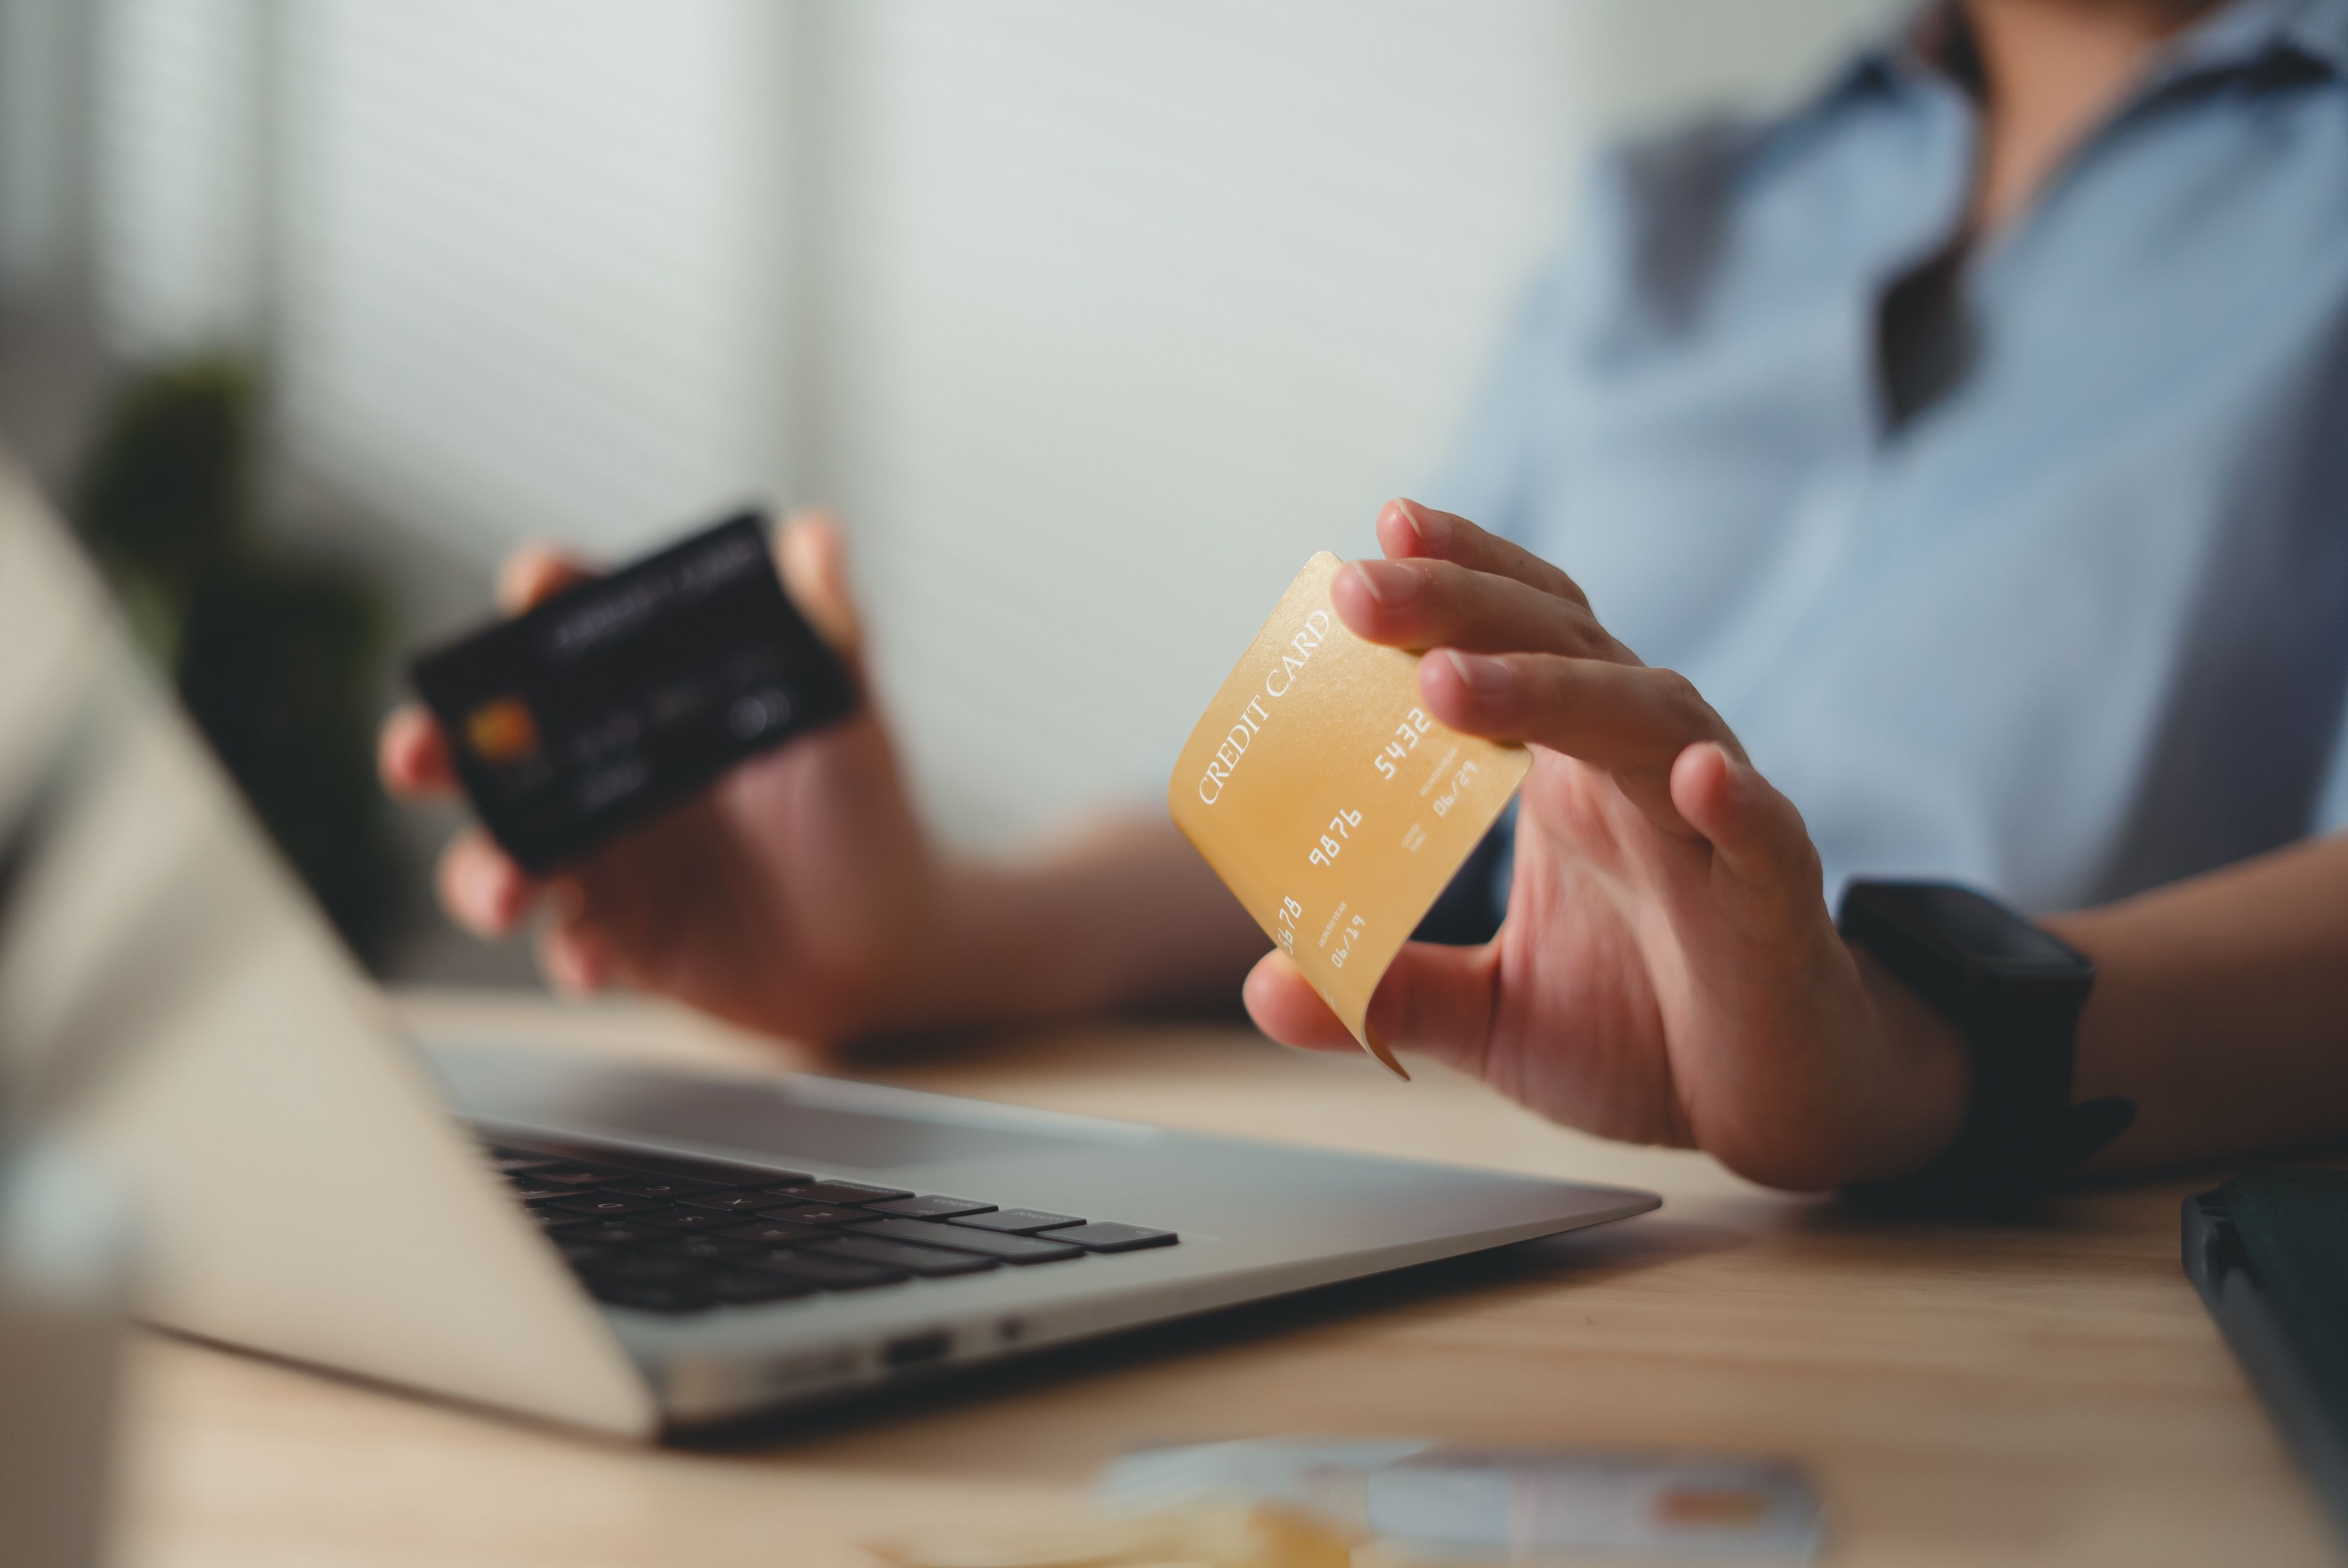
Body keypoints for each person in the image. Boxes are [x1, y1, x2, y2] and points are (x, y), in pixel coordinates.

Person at [382, 0, 2348, 1196]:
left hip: (2043, 1335)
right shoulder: (1666, 219)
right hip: (1535, 1268)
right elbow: (1396, 790)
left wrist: (1919, 1048)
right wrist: (936, 936)